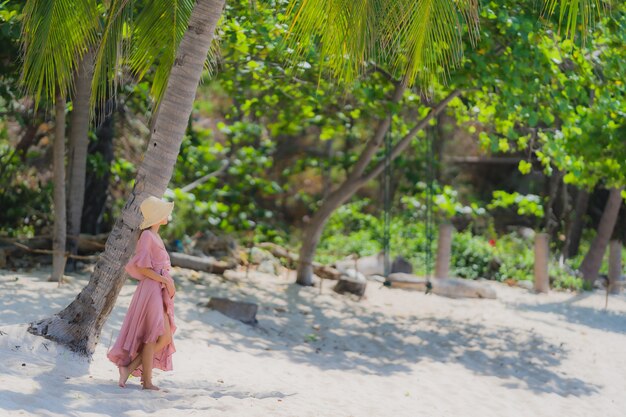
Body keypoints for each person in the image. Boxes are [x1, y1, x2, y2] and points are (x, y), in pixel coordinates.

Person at [107, 196, 177, 390]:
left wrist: (167, 283)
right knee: (154, 335)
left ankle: (129, 369)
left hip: (158, 289)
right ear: (156, 217)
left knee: (164, 337)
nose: (167, 214)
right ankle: (146, 381)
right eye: (163, 212)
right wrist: (164, 280)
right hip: (152, 289)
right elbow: (141, 267)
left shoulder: (155, 236)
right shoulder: (147, 236)